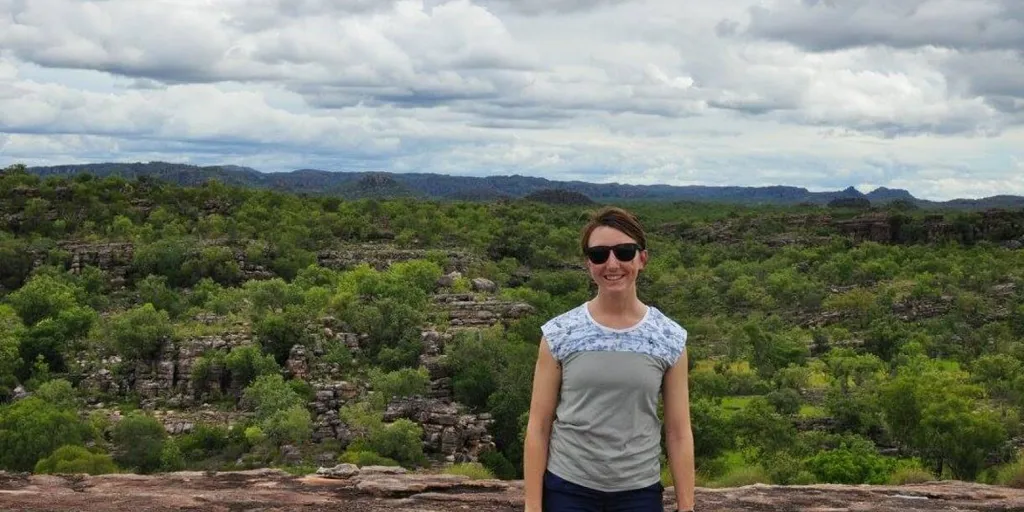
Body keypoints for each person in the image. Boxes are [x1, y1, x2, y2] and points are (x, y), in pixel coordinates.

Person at [523, 206, 695, 512]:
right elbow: (538, 426)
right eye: (600, 254)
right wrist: (533, 507)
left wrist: (687, 506)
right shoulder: (559, 333)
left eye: (625, 252)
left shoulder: (669, 337)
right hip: (568, 488)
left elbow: (678, 432)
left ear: (643, 258)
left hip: (638, 491)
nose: (612, 264)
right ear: (588, 264)